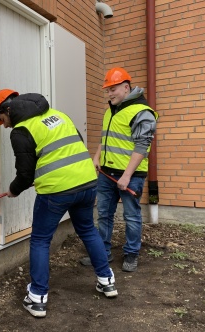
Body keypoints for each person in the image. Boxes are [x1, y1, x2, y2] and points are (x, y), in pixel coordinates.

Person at [0, 89, 118, 318]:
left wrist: (13, 190)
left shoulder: (21, 131)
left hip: (57, 191)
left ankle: (37, 297)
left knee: (40, 239)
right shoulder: (59, 115)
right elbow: (73, 146)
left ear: (6, 110)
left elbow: (25, 174)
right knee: (88, 230)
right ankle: (107, 281)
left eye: (1, 120)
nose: (5, 125)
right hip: (87, 183)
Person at [79, 67, 158, 272]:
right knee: (104, 213)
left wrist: (127, 175)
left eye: (112, 89)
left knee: (131, 216)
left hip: (129, 176)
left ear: (126, 87)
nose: (109, 93)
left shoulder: (142, 112)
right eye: (107, 90)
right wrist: (96, 157)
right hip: (106, 173)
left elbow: (142, 146)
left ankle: (131, 254)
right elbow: (105, 138)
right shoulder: (111, 110)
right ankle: (102, 252)